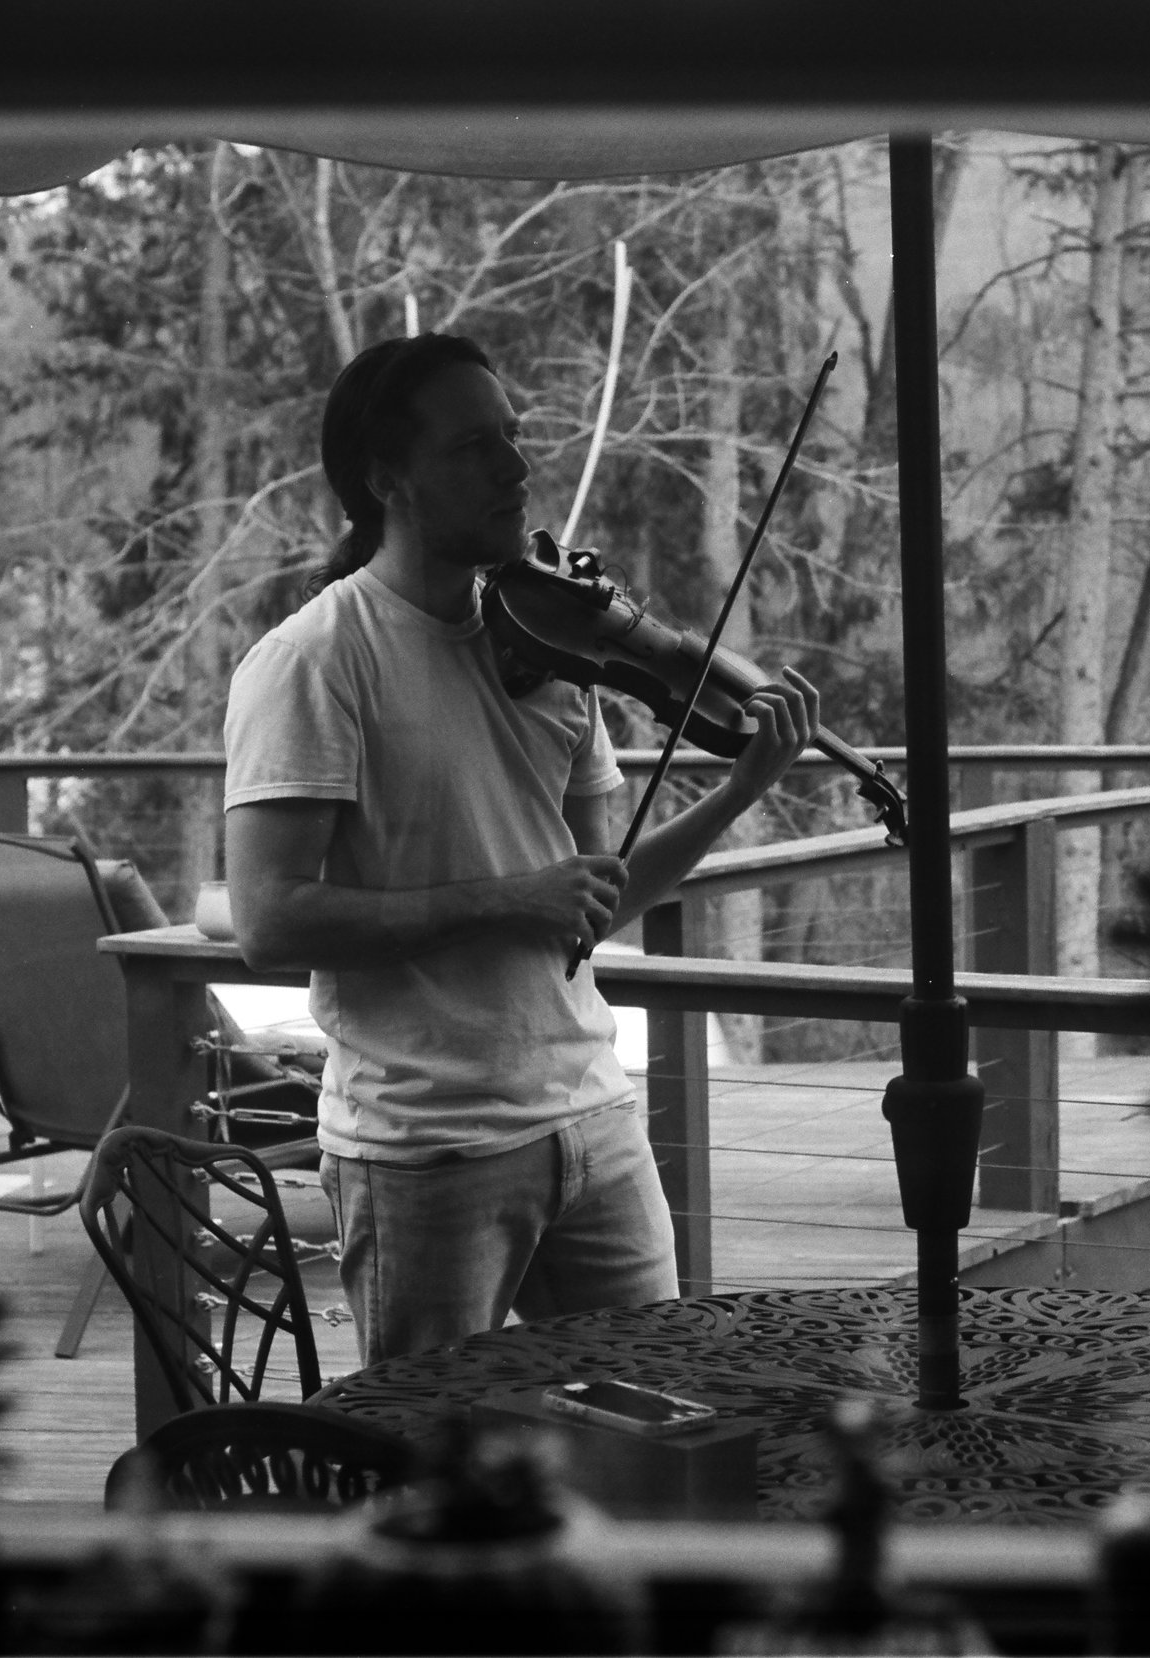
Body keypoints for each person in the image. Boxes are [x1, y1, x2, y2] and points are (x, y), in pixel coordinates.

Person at [223, 332, 818, 1365]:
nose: (515, 467)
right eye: (472, 446)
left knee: (658, 1424)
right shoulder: (313, 661)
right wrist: (508, 899)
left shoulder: (554, 646)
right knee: (430, 1462)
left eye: (514, 436)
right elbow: (270, 922)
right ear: (384, 479)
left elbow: (595, 893)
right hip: (425, 1145)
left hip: (593, 1117)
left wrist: (737, 793)